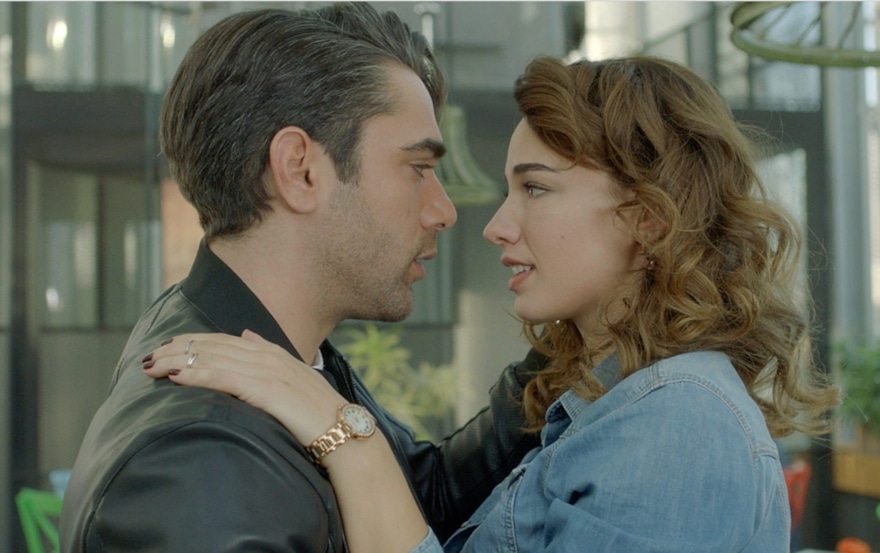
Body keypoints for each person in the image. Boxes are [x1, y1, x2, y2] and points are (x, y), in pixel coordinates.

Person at [145, 54, 840, 553]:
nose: (495, 225)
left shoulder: (679, 426)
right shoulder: (612, 404)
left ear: (648, 216)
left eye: (535, 188)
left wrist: (347, 434)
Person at [59, 5, 544, 552]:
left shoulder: (268, 349)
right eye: (418, 168)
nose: (444, 211)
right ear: (300, 170)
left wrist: (584, 333)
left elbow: (415, 495)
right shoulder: (203, 463)